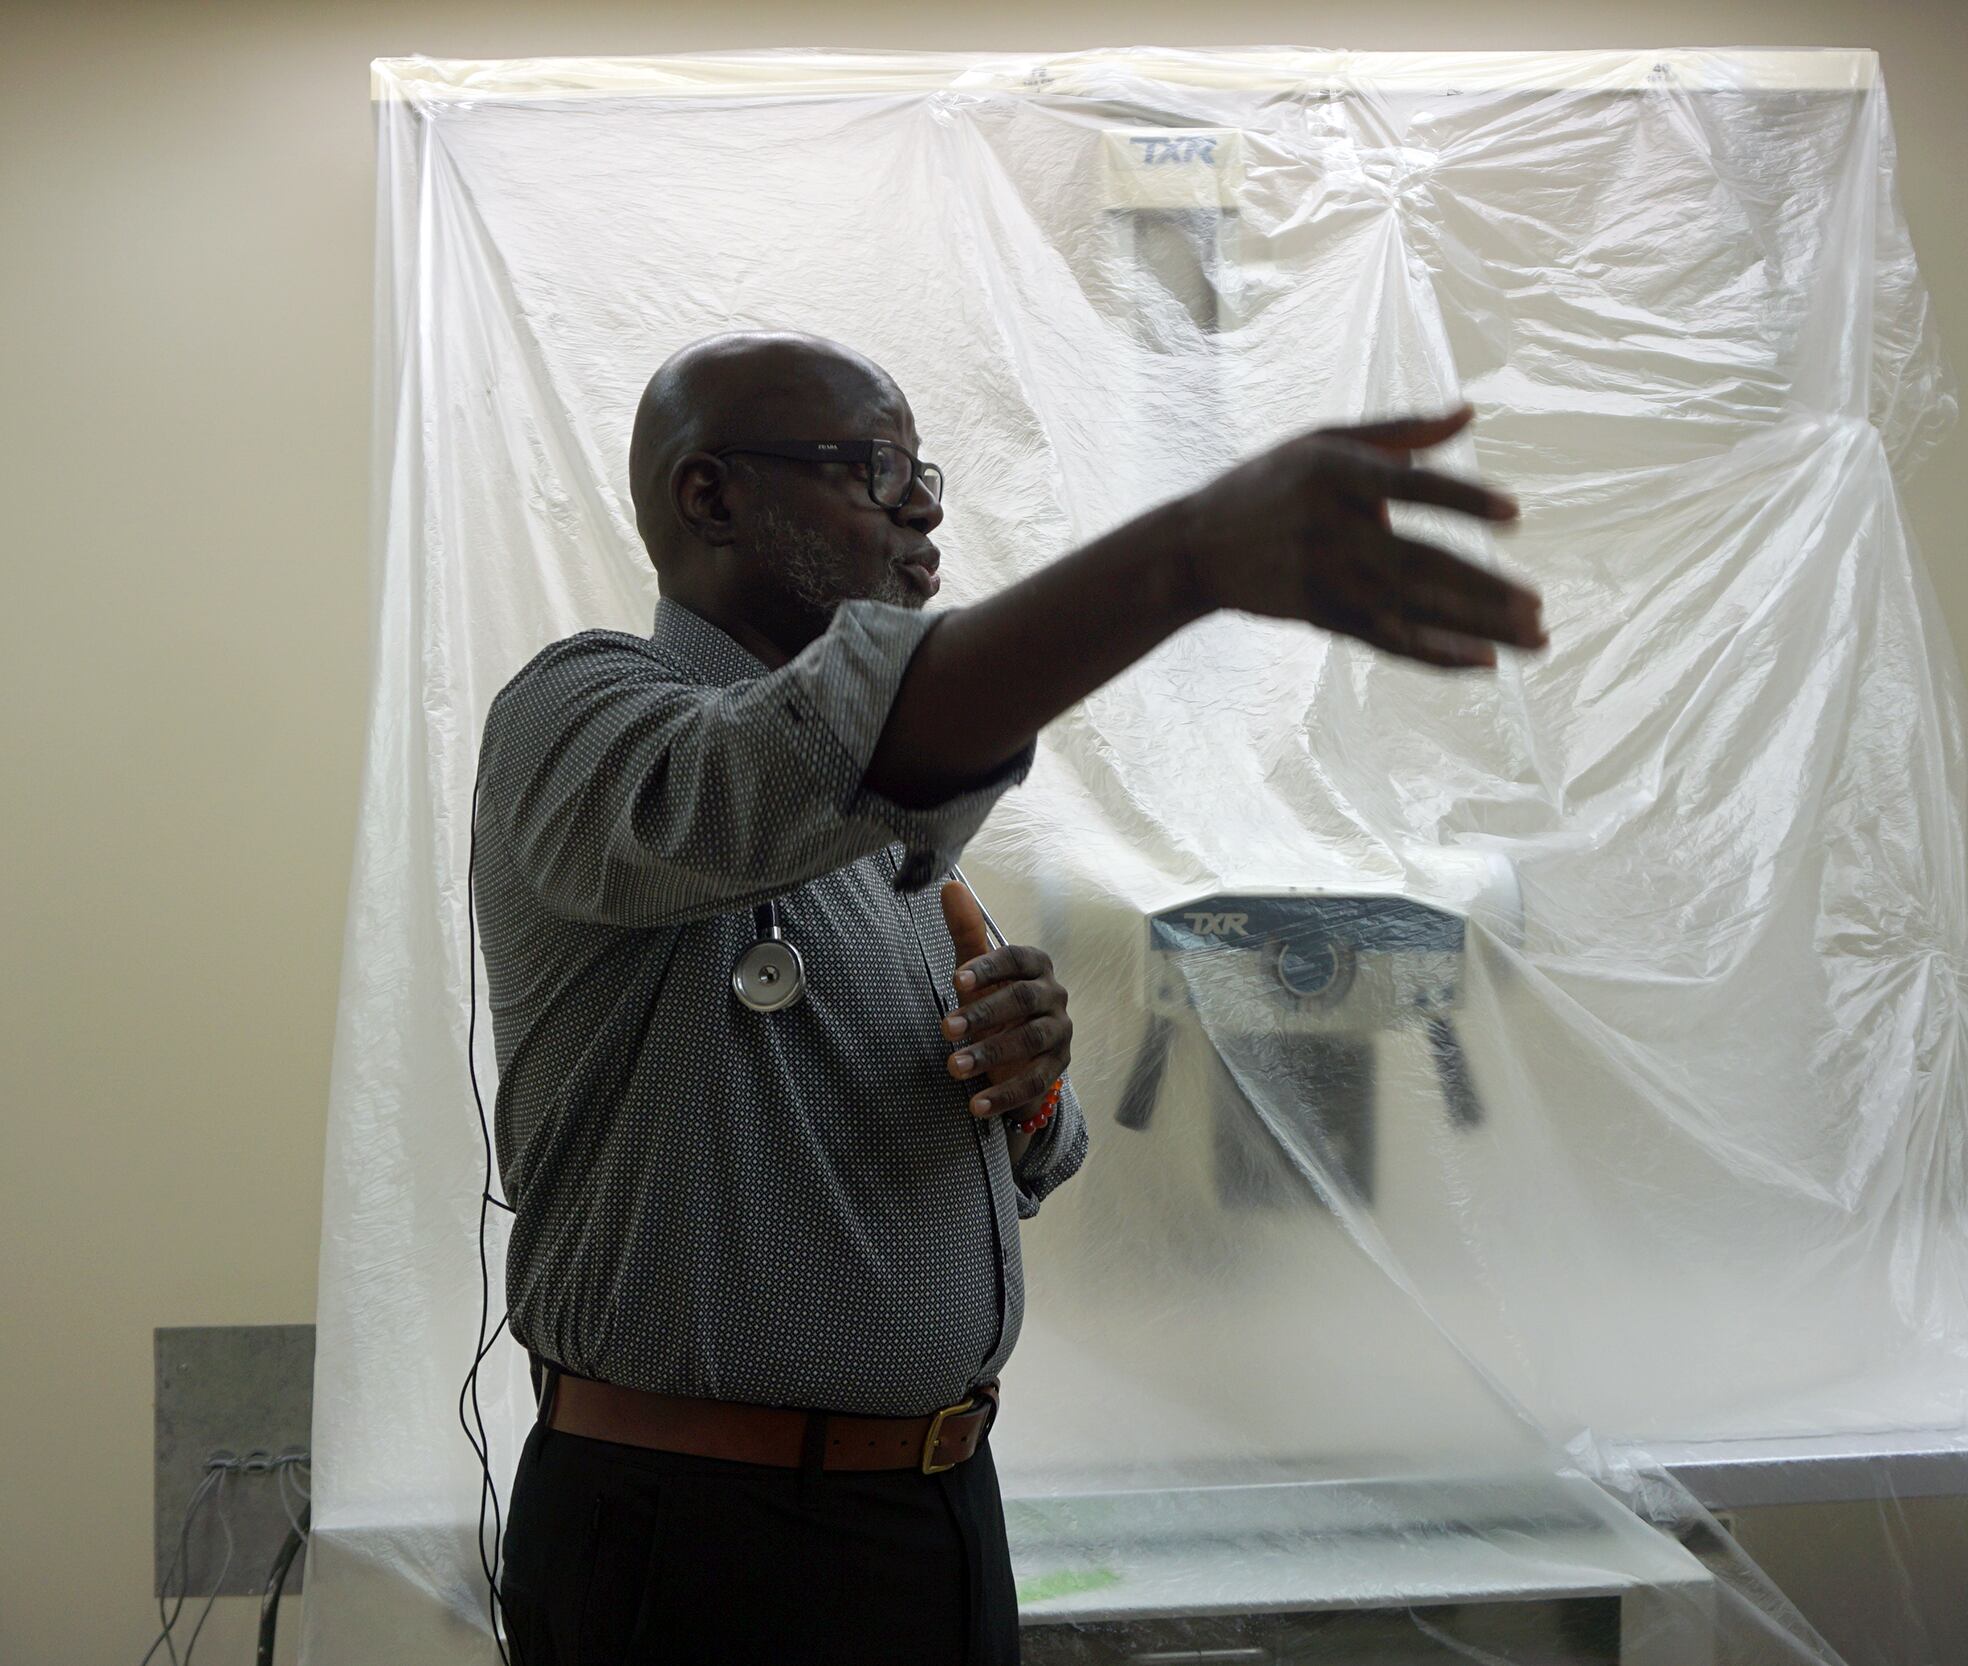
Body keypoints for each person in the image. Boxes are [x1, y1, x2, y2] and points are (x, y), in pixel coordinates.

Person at [476, 329, 1544, 1665]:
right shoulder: (584, 719)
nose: (923, 509)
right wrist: (1190, 556)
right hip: (704, 1541)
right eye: (872, 471)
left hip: (932, 1514)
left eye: (922, 472)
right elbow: (789, 762)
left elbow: (969, 1135)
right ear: (711, 497)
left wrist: (1028, 1087)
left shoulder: (896, 839)